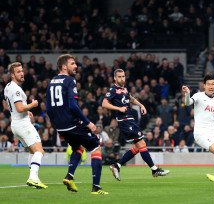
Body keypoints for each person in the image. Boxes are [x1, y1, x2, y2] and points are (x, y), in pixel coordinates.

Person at [46, 54, 108, 195]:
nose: (76, 66)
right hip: (71, 123)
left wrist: (57, 125)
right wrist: (88, 123)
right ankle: (96, 188)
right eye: (72, 63)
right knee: (96, 147)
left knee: (78, 147)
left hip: (60, 126)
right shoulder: (70, 81)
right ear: (64, 66)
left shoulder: (52, 82)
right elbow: (73, 106)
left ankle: (69, 176)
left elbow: (48, 109)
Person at [102, 69, 170, 181]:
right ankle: (154, 169)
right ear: (114, 78)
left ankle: (117, 166)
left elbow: (130, 98)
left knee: (137, 147)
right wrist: (119, 108)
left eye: (123, 76)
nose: (122, 78)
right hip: (124, 120)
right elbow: (104, 103)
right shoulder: (113, 90)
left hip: (129, 119)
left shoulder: (123, 89)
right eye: (119, 76)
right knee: (141, 143)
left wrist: (141, 105)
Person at [3, 62, 47, 189]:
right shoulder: (16, 89)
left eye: (22, 71)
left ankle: (35, 179)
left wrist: (26, 111)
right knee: (40, 151)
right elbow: (20, 107)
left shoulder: (8, 86)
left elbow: (7, 105)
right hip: (23, 125)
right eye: (18, 72)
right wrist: (31, 106)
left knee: (32, 151)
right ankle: (33, 178)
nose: (21, 73)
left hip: (16, 124)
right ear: (12, 75)